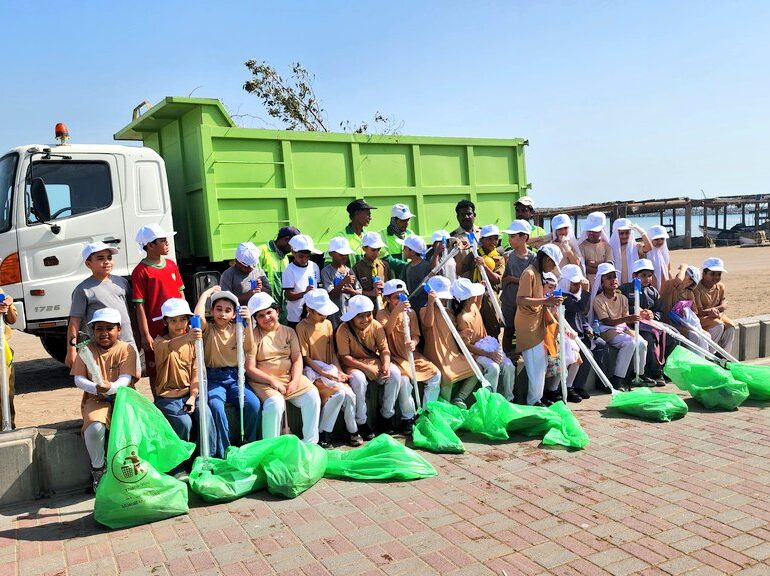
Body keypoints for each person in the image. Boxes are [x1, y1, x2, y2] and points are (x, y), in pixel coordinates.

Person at [70, 308, 140, 491]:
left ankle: (133, 468)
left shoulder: (126, 349)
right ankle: (98, 470)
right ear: (93, 331)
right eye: (99, 328)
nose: (104, 333)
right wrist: (96, 388)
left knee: (130, 429)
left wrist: (111, 387)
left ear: (119, 330)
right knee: (94, 428)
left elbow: (125, 379)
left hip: (124, 397)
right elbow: (78, 379)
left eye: (110, 328)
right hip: (96, 398)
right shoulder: (86, 349)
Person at [193, 287, 260, 458]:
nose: (222, 314)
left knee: (253, 404)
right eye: (219, 309)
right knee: (216, 406)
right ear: (212, 311)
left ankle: (249, 446)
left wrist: (248, 322)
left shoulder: (238, 328)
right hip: (213, 379)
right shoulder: (208, 329)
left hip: (234, 378)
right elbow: (197, 318)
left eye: (228, 310)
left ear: (234, 314)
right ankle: (224, 452)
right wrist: (205, 294)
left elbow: (249, 348)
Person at [246, 293, 321, 443]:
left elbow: (297, 359)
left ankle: (311, 443)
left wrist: (295, 380)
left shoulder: (289, 331)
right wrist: (272, 381)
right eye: (261, 316)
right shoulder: (252, 336)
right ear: (255, 319)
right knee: (275, 404)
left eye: (269, 312)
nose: (266, 318)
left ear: (277, 311)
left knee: (312, 395)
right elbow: (250, 368)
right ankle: (270, 447)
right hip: (264, 383)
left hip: (289, 378)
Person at [152, 298, 216, 471]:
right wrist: (188, 336)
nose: (179, 324)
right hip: (168, 397)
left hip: (190, 394)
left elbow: (196, 373)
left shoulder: (193, 344)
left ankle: (207, 459)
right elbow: (170, 346)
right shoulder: (159, 342)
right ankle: (178, 466)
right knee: (184, 422)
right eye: (173, 320)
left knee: (205, 414)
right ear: (165, 322)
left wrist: (193, 397)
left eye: (183, 319)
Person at [296, 289, 363, 448]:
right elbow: (306, 358)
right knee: (338, 394)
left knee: (350, 395)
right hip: (313, 373)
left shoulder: (327, 324)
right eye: (321, 313)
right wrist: (324, 373)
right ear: (309, 309)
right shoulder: (301, 327)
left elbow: (332, 352)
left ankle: (353, 430)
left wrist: (339, 372)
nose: (324, 316)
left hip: (330, 371)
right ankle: (324, 433)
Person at [336, 295, 410, 434]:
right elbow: (345, 357)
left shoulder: (375, 325)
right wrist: (366, 368)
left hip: (373, 362)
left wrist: (386, 363)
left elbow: (384, 349)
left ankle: (386, 416)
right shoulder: (343, 329)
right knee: (358, 380)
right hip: (353, 365)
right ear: (352, 317)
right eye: (360, 316)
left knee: (395, 374)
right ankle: (361, 422)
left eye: (368, 315)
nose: (365, 319)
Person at [131, 224, 185, 391]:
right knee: (156, 368)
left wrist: (187, 318)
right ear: (150, 245)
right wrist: (145, 334)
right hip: (155, 329)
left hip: (178, 326)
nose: (167, 243)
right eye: (162, 240)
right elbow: (139, 306)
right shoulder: (140, 271)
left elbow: (181, 294)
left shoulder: (171, 265)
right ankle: (159, 400)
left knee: (181, 360)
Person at [67, 242, 136, 370]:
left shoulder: (121, 282)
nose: (107, 262)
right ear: (88, 264)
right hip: (102, 349)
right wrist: (71, 350)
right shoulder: (83, 289)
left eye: (109, 258)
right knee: (106, 379)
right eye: (100, 258)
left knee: (132, 376)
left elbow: (130, 312)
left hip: (127, 343)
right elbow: (74, 321)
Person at [377, 280, 441, 407]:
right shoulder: (381, 314)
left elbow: (416, 335)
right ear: (388, 299)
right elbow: (386, 331)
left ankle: (428, 409)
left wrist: (414, 343)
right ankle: (408, 415)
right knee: (405, 381)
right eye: (396, 297)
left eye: (403, 296)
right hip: (394, 357)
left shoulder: (410, 313)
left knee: (436, 374)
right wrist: (397, 311)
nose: (400, 300)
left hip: (410, 356)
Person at [452, 278, 515, 401]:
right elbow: (466, 346)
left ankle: (509, 398)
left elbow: (479, 303)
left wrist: (482, 288)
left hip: (489, 347)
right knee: (493, 368)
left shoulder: (474, 306)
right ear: (468, 299)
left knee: (509, 366)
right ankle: (489, 400)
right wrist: (488, 354)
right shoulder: (462, 318)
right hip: (476, 353)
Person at [516, 244, 564, 406]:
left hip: (537, 324)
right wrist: (546, 300)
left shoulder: (537, 273)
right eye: (553, 264)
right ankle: (533, 401)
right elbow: (520, 299)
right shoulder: (529, 273)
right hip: (528, 326)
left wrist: (548, 302)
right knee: (535, 366)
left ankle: (536, 398)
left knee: (541, 365)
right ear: (548, 259)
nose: (552, 268)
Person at [420, 276, 479, 409]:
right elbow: (428, 323)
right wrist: (431, 302)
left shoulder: (448, 312)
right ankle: (445, 406)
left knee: (476, 369)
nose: (445, 300)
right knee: (448, 376)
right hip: (436, 352)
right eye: (442, 297)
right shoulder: (424, 310)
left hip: (451, 352)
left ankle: (459, 398)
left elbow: (451, 333)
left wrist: (462, 334)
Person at [591, 263, 648, 391]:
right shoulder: (598, 300)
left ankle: (638, 375)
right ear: (602, 282)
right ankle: (618, 379)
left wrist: (634, 317)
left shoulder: (622, 298)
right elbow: (607, 321)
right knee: (630, 343)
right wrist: (628, 319)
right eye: (609, 278)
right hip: (607, 330)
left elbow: (625, 318)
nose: (613, 280)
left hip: (622, 329)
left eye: (614, 277)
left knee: (643, 343)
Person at [558, 264, 609, 396]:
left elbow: (581, 317)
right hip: (569, 336)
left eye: (579, 285)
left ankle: (601, 381)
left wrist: (588, 328)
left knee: (602, 345)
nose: (578, 287)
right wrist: (586, 291)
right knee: (586, 354)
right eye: (575, 284)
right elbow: (578, 308)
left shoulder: (575, 296)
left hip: (581, 334)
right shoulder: (562, 297)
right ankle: (575, 386)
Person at [619, 259, 666, 386]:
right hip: (631, 325)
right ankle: (655, 373)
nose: (647, 279)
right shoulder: (624, 289)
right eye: (643, 275)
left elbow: (659, 310)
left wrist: (652, 315)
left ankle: (664, 369)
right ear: (634, 275)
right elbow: (619, 307)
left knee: (670, 339)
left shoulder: (653, 292)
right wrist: (634, 310)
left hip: (650, 325)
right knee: (648, 339)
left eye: (649, 275)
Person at [540, 272, 583, 403]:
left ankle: (567, 387)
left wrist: (568, 331)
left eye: (554, 287)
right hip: (543, 336)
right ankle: (550, 390)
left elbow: (559, 319)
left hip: (556, 334)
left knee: (575, 354)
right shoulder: (539, 301)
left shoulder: (555, 301)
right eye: (549, 287)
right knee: (564, 354)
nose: (551, 290)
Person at [461, 224, 505, 338]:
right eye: (489, 239)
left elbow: (497, 279)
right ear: (481, 240)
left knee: (492, 325)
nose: (493, 242)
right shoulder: (473, 255)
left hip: (489, 296)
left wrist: (484, 266)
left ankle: (493, 342)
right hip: (473, 295)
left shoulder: (499, 258)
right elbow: (463, 274)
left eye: (495, 238)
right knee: (474, 325)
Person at [500, 220, 535, 356]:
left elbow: (532, 281)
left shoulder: (533, 258)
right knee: (508, 330)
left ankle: (524, 359)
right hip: (509, 301)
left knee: (524, 332)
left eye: (513, 236)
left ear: (524, 237)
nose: (510, 239)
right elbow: (502, 278)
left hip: (525, 302)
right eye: (510, 236)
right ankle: (507, 358)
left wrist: (512, 279)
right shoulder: (507, 257)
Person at [258, 226, 300, 321]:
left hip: (280, 310)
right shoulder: (262, 251)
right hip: (265, 310)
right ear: (286, 240)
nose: (293, 250)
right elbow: (254, 280)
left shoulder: (285, 258)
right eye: (293, 246)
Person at [694, 257, 735, 351]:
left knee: (730, 326)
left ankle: (725, 355)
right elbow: (700, 311)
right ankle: (709, 353)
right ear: (704, 274)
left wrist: (717, 309)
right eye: (712, 274)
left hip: (717, 316)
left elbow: (723, 302)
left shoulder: (720, 286)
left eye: (719, 274)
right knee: (718, 325)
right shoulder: (697, 289)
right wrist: (718, 309)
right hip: (701, 318)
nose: (716, 277)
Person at [282, 234, 322, 329]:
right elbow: (288, 296)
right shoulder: (289, 270)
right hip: (296, 317)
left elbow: (318, 286)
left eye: (307, 257)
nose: (304, 260)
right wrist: (305, 293)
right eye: (301, 256)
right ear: (293, 252)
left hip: (313, 315)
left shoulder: (314, 266)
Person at [320, 236, 361, 328]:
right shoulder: (326, 271)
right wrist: (343, 282)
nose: (344, 257)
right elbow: (331, 295)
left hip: (350, 314)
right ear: (331, 254)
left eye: (346, 254)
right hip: (334, 316)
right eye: (341, 254)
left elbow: (359, 292)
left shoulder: (349, 270)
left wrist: (352, 292)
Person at [352, 231, 390, 312]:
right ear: (364, 248)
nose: (376, 253)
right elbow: (353, 292)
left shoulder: (384, 265)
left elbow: (390, 285)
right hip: (366, 310)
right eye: (373, 250)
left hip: (384, 309)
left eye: (378, 249)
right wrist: (370, 293)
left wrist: (385, 286)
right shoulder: (357, 268)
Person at [609, 218, 652, 284]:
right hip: (615, 284)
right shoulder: (610, 248)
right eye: (621, 233)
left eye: (627, 233)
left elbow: (649, 247)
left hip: (632, 284)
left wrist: (642, 232)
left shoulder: (635, 247)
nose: (624, 236)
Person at [337, 199, 377, 267]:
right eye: (368, 214)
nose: (370, 218)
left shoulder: (367, 236)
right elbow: (330, 267)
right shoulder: (340, 237)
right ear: (357, 213)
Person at [577, 212, 613, 286]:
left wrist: (594, 264)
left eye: (594, 231)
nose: (591, 233)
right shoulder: (581, 246)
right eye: (589, 231)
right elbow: (583, 267)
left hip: (604, 285)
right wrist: (601, 268)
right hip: (588, 284)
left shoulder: (607, 246)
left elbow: (609, 265)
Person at [380, 203, 416, 276]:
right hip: (391, 278)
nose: (406, 223)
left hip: (409, 276)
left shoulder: (411, 234)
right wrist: (408, 266)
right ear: (393, 220)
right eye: (403, 220)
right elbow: (384, 258)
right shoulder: (381, 235)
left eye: (408, 220)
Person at [400, 235, 432, 312]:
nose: (403, 250)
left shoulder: (426, 267)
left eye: (405, 248)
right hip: (411, 306)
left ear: (413, 252)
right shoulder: (407, 267)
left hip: (423, 307)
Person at [0, 290, 17, 428]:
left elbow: (12, 319)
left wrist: (9, 305)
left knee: (6, 394)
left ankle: (8, 427)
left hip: (2, 352)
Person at [451, 200, 481, 276]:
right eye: (462, 214)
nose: (466, 217)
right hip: (464, 278)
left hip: (483, 276)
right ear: (458, 217)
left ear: (474, 215)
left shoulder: (483, 233)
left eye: (469, 214)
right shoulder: (452, 238)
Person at [646, 225, 671, 291]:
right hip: (650, 289)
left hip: (664, 288)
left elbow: (668, 271)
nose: (660, 242)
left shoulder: (665, 253)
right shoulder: (646, 254)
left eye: (662, 239)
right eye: (656, 239)